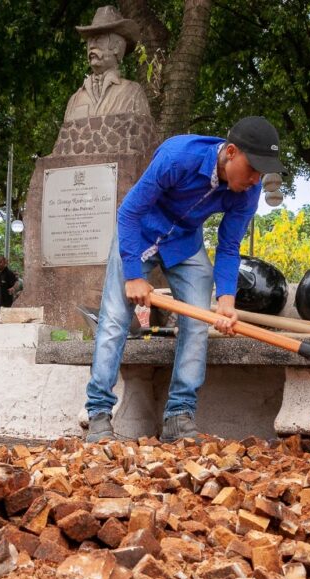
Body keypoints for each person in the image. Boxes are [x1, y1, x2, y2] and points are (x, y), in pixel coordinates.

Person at [84, 116, 286, 443]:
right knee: (114, 320)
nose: (255, 180)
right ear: (231, 152)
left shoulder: (248, 191)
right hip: (139, 235)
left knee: (198, 322)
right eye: (253, 169)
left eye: (261, 174)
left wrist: (226, 301)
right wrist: (133, 275)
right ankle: (98, 414)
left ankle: (179, 416)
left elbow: (229, 246)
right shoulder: (178, 157)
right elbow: (129, 213)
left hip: (185, 245)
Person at [64, 6, 151, 121]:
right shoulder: (75, 100)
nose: (92, 45)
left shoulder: (133, 93)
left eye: (99, 39)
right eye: (90, 40)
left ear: (117, 47)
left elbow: (142, 131)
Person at [0, 256, 18, 322]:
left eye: (0, 262)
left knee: (5, 320)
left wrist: (13, 288)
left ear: (5, 263)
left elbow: (17, 282)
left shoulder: (9, 273)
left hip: (6, 302)